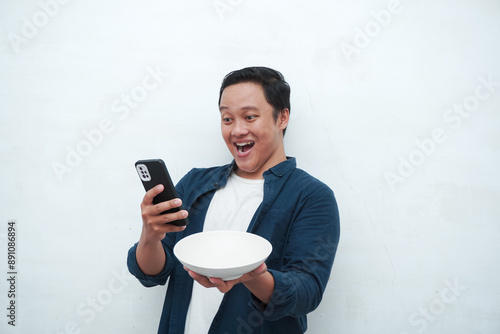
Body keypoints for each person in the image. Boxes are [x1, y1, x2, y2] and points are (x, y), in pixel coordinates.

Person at [127, 66, 340, 334]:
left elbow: (306, 292)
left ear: (282, 117)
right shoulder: (195, 184)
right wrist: (150, 235)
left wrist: (253, 276)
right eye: (227, 119)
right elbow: (152, 273)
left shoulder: (311, 196)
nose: (237, 130)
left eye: (249, 117)